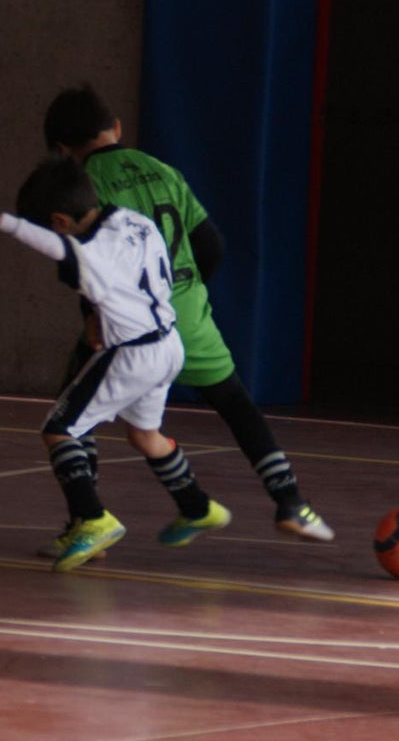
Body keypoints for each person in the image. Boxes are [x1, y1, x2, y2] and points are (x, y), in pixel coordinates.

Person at [39, 84, 334, 556]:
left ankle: (86, 519)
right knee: (236, 405)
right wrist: (189, 292)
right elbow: (211, 244)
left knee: (73, 416)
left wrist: (94, 317)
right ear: (115, 127)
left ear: (61, 150)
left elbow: (92, 263)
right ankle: (291, 502)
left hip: (129, 323)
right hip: (187, 315)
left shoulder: (88, 187)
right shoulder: (162, 170)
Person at [0, 157, 229, 571]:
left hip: (131, 353)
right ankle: (197, 507)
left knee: (59, 430)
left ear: (60, 220)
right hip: (169, 344)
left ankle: (93, 519)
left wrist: (5, 223)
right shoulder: (136, 221)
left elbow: (57, 247)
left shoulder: (88, 252)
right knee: (146, 436)